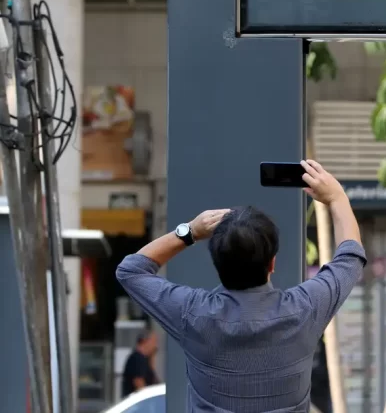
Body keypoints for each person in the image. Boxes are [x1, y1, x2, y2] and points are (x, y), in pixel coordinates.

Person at [116, 160, 365, 413]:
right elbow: (351, 258)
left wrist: (190, 231)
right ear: (272, 263)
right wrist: (337, 198)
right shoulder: (305, 309)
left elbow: (131, 270)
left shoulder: (192, 314)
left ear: (218, 265)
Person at [121, 330, 159, 397]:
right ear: (145, 341)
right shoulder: (138, 359)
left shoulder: (142, 359)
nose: (155, 346)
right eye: (154, 342)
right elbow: (139, 383)